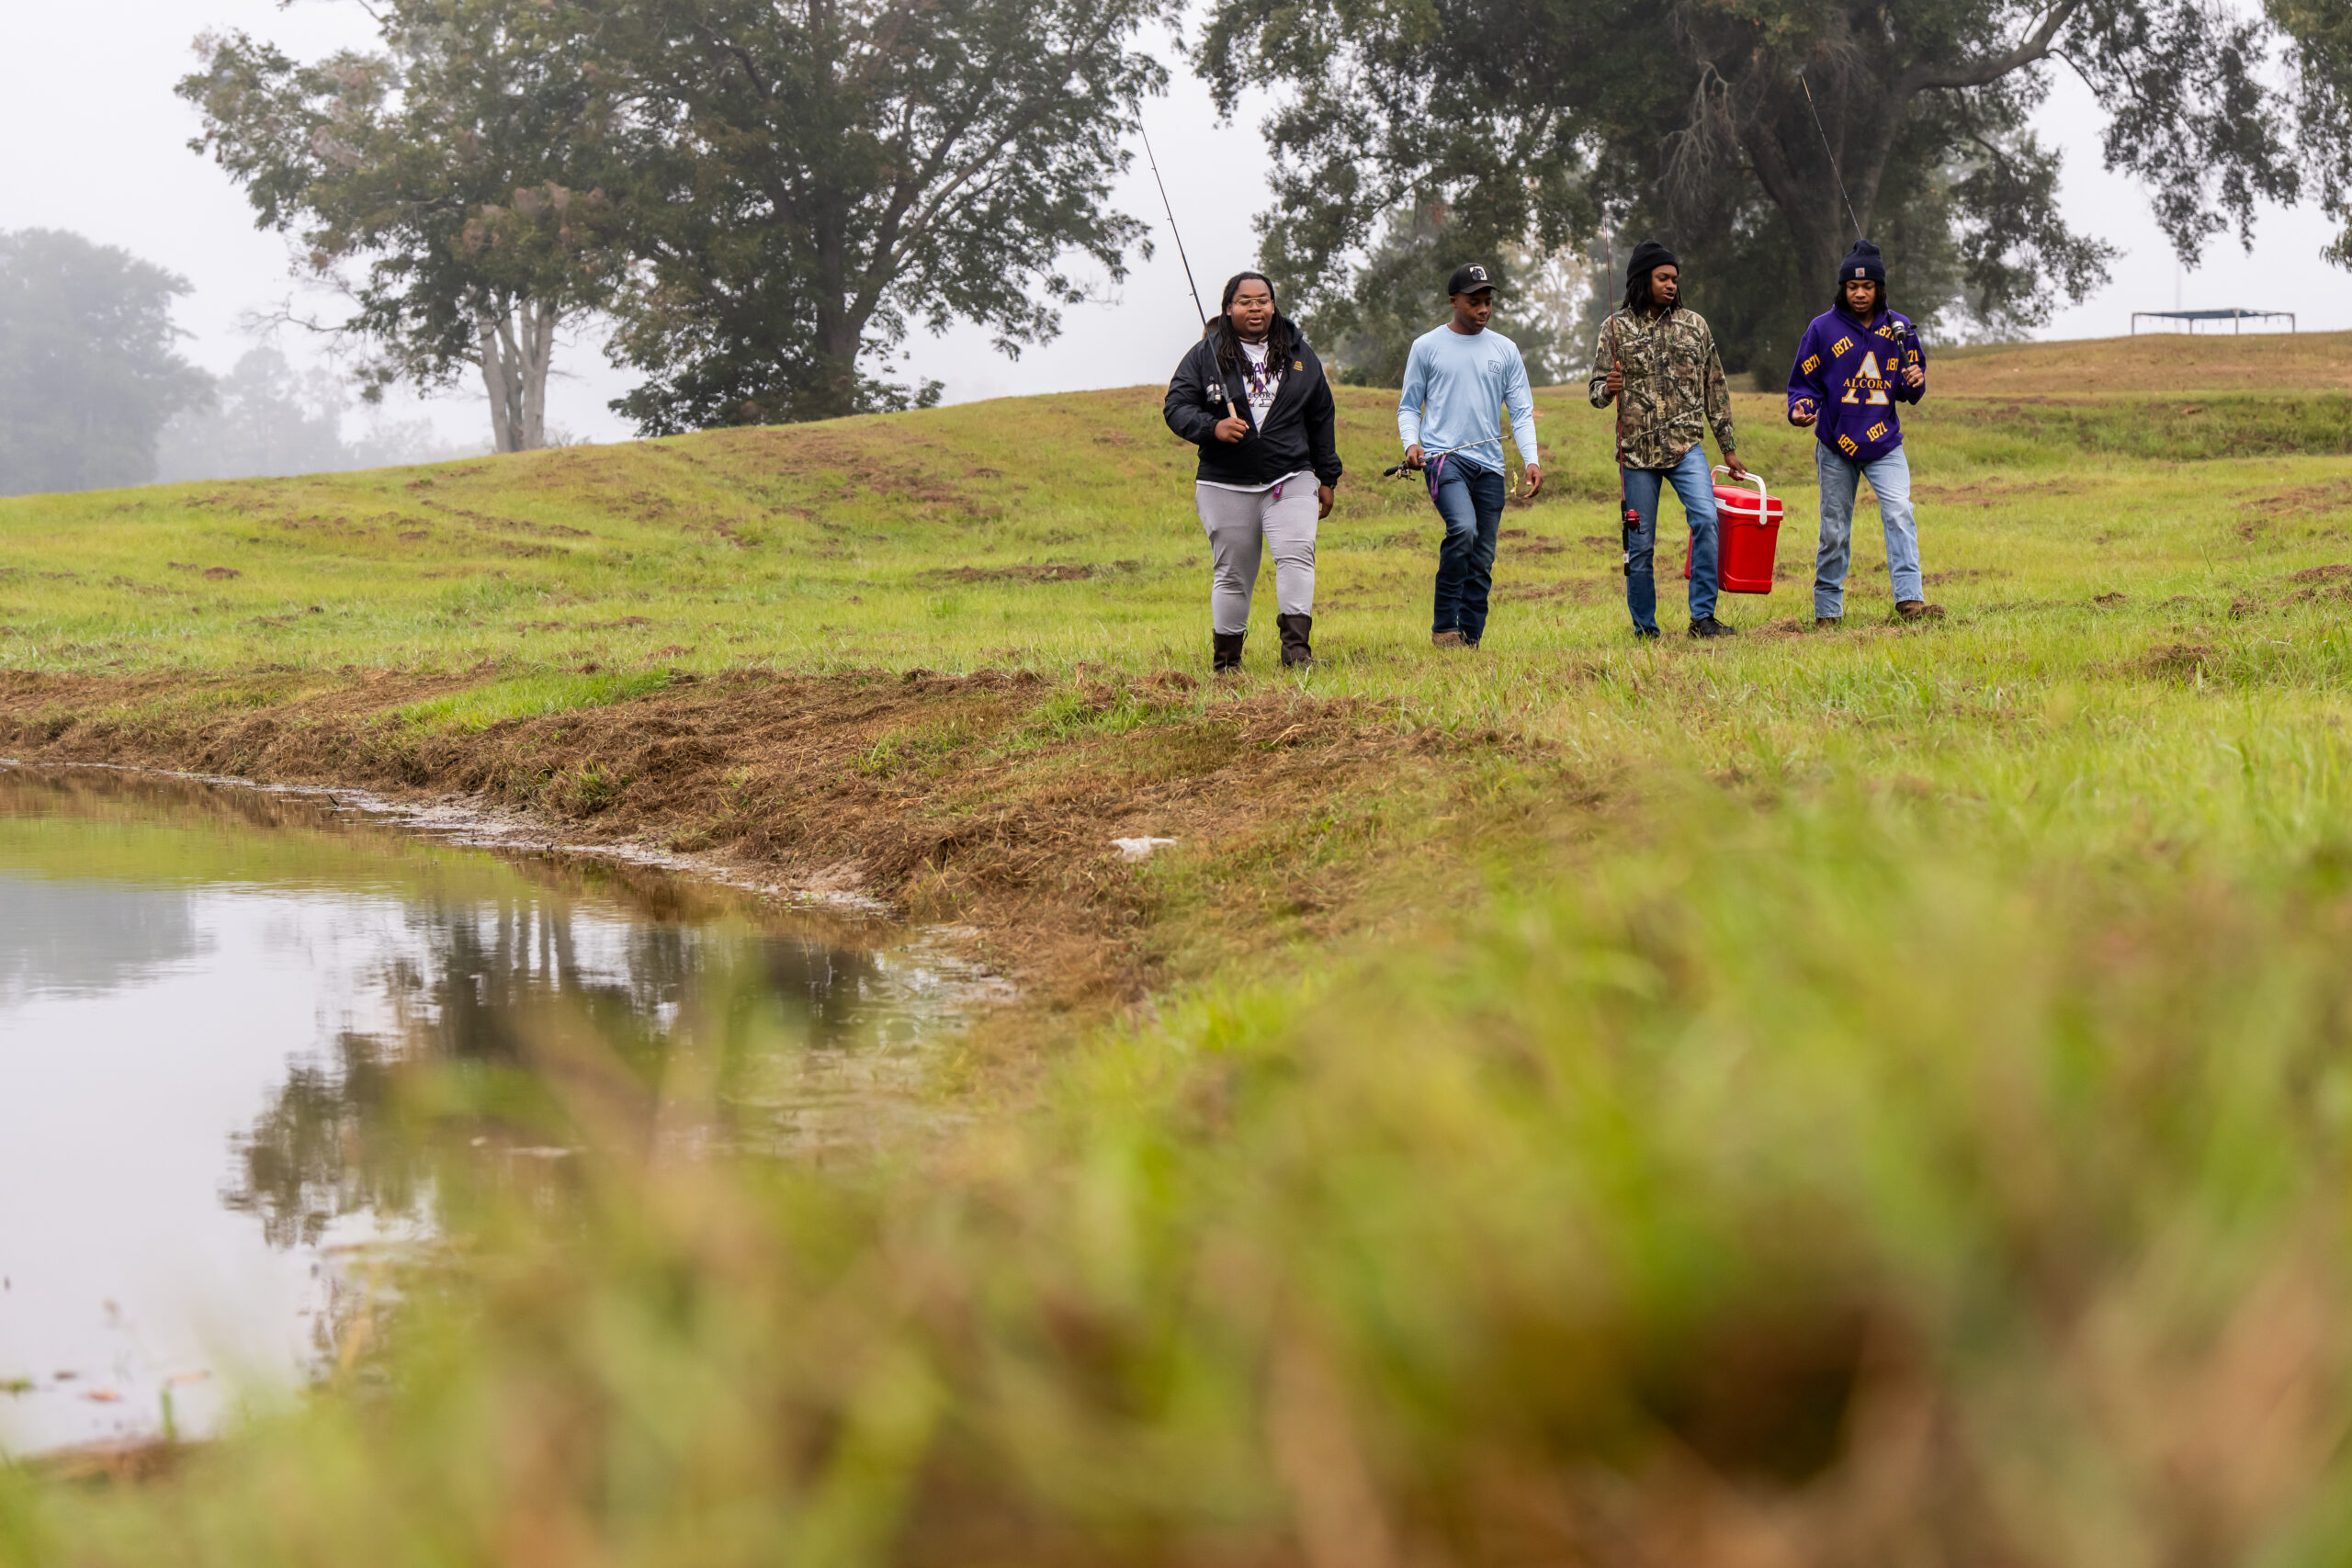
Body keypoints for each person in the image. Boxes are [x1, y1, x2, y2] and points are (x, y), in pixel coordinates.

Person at [1163, 272, 1343, 671]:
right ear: (1229, 308)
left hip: (1290, 476)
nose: (1255, 307)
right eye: (1245, 301)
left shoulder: (1300, 354)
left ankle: (1297, 653)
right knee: (1232, 572)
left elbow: (1321, 415)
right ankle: (1227, 663)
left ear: (1273, 305)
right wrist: (1213, 428)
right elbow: (1175, 408)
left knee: (1297, 555)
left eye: (1262, 299)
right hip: (1224, 482)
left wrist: (1326, 477)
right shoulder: (1203, 355)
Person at [1588, 241, 1747, 639]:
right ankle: (1645, 628)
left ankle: (1703, 619)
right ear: (1643, 280)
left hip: (1686, 448)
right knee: (1640, 546)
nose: (1671, 285)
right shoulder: (1614, 327)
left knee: (1708, 522)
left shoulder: (1696, 325)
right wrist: (1608, 388)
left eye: (1675, 278)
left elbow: (1716, 386)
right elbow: (1594, 392)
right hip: (1636, 455)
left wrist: (1727, 447)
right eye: (1663, 278)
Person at [1785, 240, 1942, 626]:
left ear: (1879, 289)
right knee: (1834, 529)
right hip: (1836, 444)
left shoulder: (1900, 328)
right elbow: (1804, 383)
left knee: (1900, 512)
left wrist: (1916, 379)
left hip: (1885, 443)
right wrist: (1800, 407)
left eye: (1867, 286)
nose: (1859, 293)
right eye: (1852, 287)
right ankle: (1828, 612)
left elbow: (1912, 390)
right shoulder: (1821, 329)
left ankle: (1910, 600)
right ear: (1843, 289)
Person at [1397, 263, 1543, 649]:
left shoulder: (1505, 349)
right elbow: (1409, 406)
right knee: (1462, 528)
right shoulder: (1426, 347)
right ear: (1453, 302)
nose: (1483, 310)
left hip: (1490, 466)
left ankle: (1470, 638)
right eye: (1474, 302)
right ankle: (1444, 628)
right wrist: (1411, 444)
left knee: (1482, 557)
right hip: (1444, 459)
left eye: (1487, 302)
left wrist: (1531, 459)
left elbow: (1521, 411)